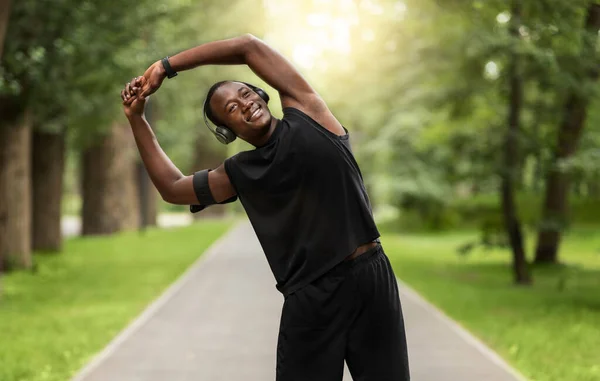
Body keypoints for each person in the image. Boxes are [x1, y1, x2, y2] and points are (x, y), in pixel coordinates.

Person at [120, 34, 410, 381]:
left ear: (261, 93)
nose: (243, 105)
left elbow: (247, 47)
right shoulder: (238, 172)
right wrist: (137, 118)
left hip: (369, 279)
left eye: (245, 94)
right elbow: (172, 188)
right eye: (230, 109)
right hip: (310, 299)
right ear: (227, 131)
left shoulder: (309, 113)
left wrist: (166, 66)